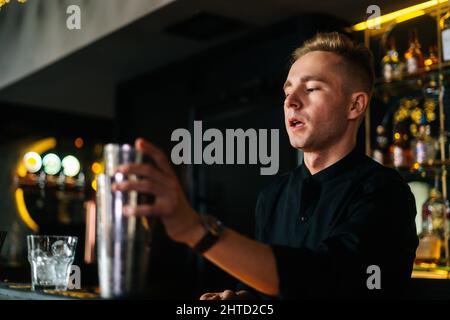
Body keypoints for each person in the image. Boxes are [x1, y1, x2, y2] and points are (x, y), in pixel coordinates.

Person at [113, 32, 419, 299]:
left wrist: (196, 229)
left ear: (355, 105)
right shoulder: (272, 195)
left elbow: (329, 279)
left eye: (311, 88)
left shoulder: (386, 193)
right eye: (288, 91)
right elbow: (267, 288)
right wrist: (242, 299)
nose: (291, 101)